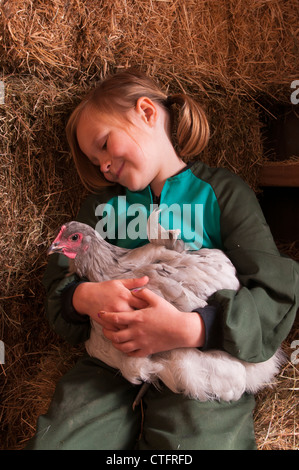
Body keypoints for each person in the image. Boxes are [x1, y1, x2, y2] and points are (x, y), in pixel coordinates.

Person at [26, 69, 299, 450]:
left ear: (147, 113)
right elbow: (57, 287)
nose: (102, 165)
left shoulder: (221, 194)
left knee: (198, 444)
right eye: (94, 160)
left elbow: (273, 293)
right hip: (112, 360)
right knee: (64, 441)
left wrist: (191, 329)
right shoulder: (102, 208)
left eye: (104, 144)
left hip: (200, 358)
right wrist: (86, 297)